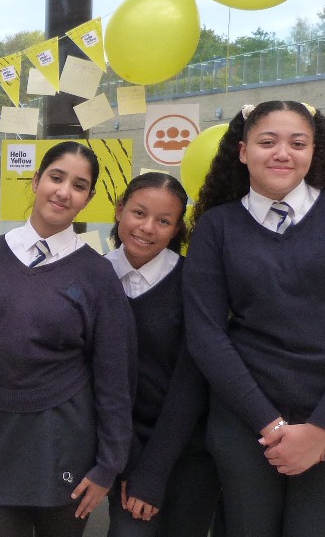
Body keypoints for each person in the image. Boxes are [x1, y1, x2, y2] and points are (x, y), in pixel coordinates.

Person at [185, 101, 325, 536]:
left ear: (313, 151)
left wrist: (321, 429)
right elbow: (206, 335)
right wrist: (273, 426)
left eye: (297, 143)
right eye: (268, 142)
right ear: (244, 151)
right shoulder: (217, 227)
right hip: (248, 427)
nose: (282, 152)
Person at [0, 141, 135, 536]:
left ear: (89, 199)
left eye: (79, 186)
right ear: (36, 181)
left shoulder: (97, 275)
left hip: (64, 437)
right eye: (56, 177)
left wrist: (107, 465)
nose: (64, 192)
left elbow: (115, 378)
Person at [104, 172, 219, 537]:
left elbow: (191, 385)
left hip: (185, 449)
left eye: (164, 221)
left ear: (176, 229)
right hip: (119, 448)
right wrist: (130, 465)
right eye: (139, 213)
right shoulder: (94, 277)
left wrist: (152, 471)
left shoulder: (194, 283)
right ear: (120, 211)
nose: (147, 228)